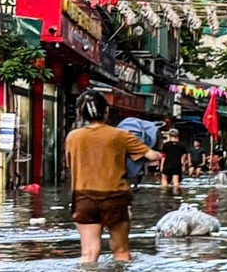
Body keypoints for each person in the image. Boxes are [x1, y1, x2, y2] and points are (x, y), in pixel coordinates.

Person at [66, 90, 163, 262]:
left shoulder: (72, 137)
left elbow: (70, 164)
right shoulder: (121, 135)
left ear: (81, 113)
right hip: (115, 198)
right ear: (107, 111)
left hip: (84, 198)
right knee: (121, 252)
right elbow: (152, 156)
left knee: (89, 253)